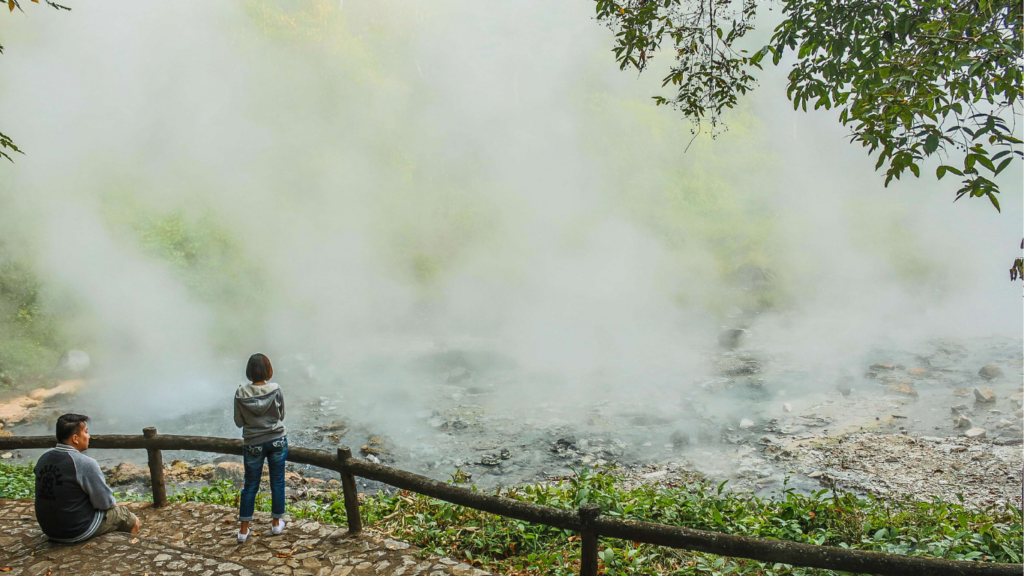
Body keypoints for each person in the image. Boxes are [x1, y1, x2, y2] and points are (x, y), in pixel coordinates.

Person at [34, 414, 140, 542]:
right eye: (86, 432)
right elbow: (104, 503)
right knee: (129, 518)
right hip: (76, 530)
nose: (89, 436)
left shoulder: (44, 457)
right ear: (75, 438)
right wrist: (114, 506)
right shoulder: (84, 463)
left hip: (50, 529)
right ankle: (131, 549)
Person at [233, 352, 288, 542]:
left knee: (250, 486)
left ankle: (243, 531)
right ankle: (275, 525)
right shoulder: (275, 389)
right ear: (268, 371)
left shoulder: (240, 392)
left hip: (252, 443)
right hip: (276, 440)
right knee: (277, 483)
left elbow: (239, 422)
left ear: (249, 372)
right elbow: (281, 415)